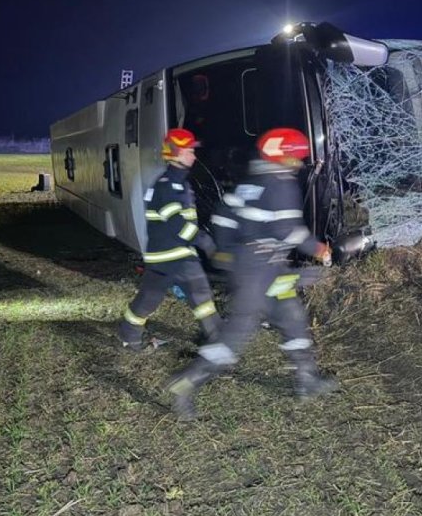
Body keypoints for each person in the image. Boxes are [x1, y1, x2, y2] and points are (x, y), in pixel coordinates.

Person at [166, 128, 336, 421]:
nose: (298, 164)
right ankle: (186, 384)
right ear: (284, 157)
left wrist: (229, 253)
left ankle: (307, 380)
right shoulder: (280, 183)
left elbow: (221, 218)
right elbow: (288, 230)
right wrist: (319, 249)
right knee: (237, 334)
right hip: (260, 272)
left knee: (292, 316)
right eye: (296, 158)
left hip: (262, 268)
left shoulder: (249, 183)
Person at [117, 128, 221, 350]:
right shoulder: (168, 186)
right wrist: (205, 242)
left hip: (161, 255)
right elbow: (178, 226)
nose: (193, 155)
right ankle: (217, 339)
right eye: (189, 151)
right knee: (200, 292)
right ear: (176, 154)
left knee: (149, 298)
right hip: (176, 254)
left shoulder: (173, 182)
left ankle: (129, 336)